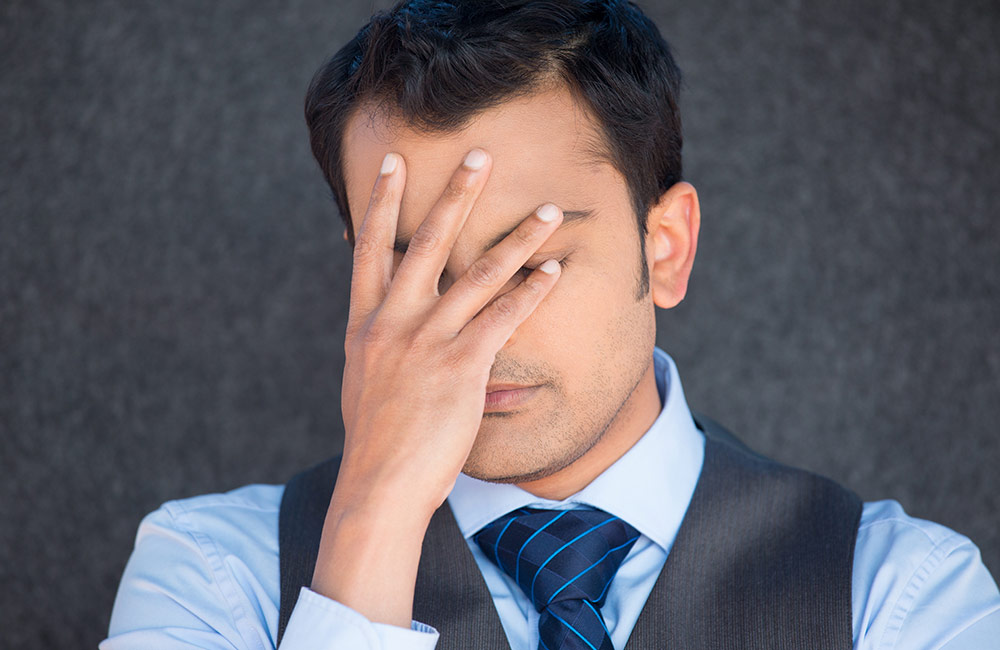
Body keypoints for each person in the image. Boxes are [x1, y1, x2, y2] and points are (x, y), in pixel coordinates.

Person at [101, 1, 1000, 648]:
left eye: (529, 260)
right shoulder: (215, 576)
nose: (474, 330)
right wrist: (370, 523)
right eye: (418, 269)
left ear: (668, 248)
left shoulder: (901, 596)